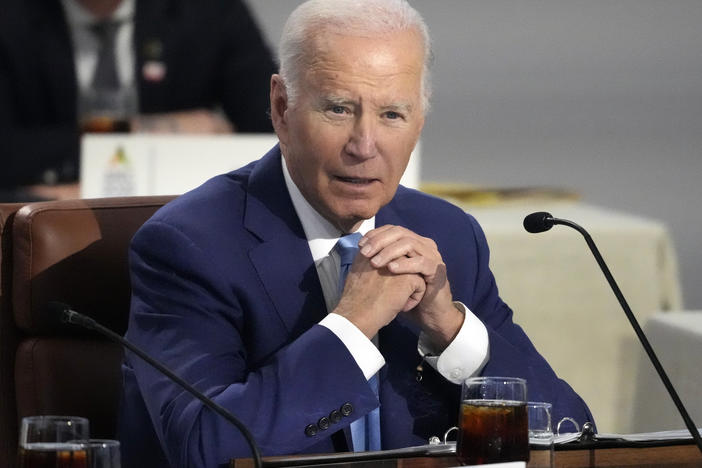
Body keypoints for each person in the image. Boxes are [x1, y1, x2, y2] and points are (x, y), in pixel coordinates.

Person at [119, 1, 594, 466]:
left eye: (392, 115)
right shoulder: (189, 245)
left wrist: (450, 328)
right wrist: (352, 324)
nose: (364, 146)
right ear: (282, 107)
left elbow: (570, 433)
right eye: (339, 109)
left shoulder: (448, 234)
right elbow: (203, 446)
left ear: (419, 123)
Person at [0, 0, 276, 200]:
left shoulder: (207, 11)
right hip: (47, 214)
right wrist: (140, 131)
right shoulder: (11, 17)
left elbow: (272, 124)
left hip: (174, 209)